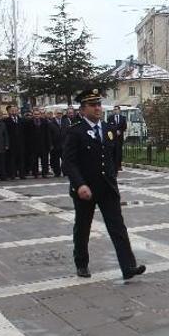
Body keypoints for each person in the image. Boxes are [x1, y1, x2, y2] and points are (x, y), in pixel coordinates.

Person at [62, 89, 146, 280]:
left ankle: (128, 266)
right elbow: (69, 162)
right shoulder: (75, 131)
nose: (98, 108)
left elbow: (113, 156)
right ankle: (81, 263)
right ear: (83, 110)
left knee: (118, 227)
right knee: (83, 227)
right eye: (93, 105)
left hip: (107, 187)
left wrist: (113, 174)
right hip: (86, 189)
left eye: (99, 104)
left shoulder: (108, 129)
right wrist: (80, 184)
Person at [5, 105, 25, 180]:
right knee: (12, 160)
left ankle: (22, 174)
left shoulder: (21, 120)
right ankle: (13, 174)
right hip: (11, 143)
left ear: (18, 111)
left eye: (15, 110)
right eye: (12, 110)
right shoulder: (6, 120)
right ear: (10, 111)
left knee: (21, 159)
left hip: (21, 143)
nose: (14, 112)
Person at [106, 106, 127, 171]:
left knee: (119, 152)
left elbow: (124, 127)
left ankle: (119, 165)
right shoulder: (110, 118)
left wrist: (120, 131)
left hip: (119, 138)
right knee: (112, 151)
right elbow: (108, 127)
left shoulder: (123, 118)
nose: (115, 111)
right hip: (112, 137)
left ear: (119, 110)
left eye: (116, 109)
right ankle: (113, 165)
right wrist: (115, 131)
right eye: (114, 109)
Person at [49, 110, 65, 177]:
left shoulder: (65, 121)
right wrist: (50, 144)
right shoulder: (51, 122)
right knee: (56, 159)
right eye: (58, 113)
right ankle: (57, 172)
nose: (59, 115)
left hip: (63, 143)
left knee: (64, 159)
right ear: (55, 114)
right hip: (55, 144)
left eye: (61, 113)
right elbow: (49, 135)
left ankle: (65, 171)